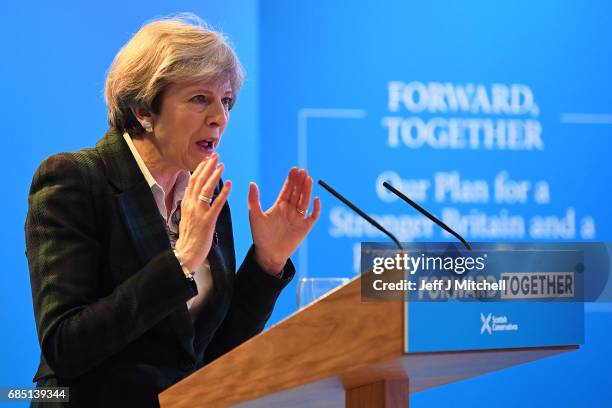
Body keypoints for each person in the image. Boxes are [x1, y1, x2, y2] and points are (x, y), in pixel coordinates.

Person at [25, 14, 320, 407]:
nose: (220, 117)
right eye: (200, 98)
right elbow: (66, 346)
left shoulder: (205, 191)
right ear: (145, 110)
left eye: (227, 101)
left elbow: (211, 352)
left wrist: (267, 262)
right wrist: (181, 261)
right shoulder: (74, 180)